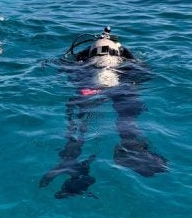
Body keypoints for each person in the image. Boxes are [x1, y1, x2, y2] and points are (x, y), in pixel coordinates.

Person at [39, 27, 168, 198]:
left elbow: (63, 69)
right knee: (127, 116)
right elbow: (145, 73)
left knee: (80, 118)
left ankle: (69, 161)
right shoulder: (126, 58)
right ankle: (132, 148)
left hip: (88, 84)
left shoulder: (83, 58)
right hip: (121, 85)